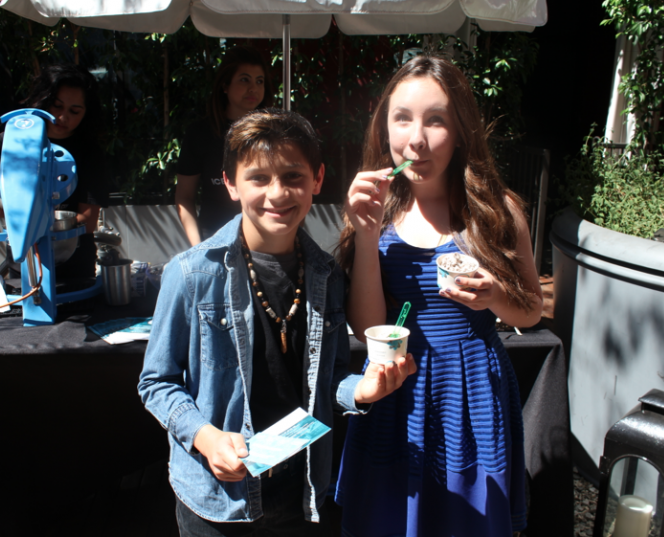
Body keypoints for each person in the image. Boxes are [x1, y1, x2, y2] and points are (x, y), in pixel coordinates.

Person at [139, 108, 417, 536]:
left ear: (317, 180)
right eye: (259, 178)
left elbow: (333, 377)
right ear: (230, 183)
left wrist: (362, 390)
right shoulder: (191, 273)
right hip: (219, 496)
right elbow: (156, 382)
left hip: (302, 488)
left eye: (293, 177)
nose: (278, 193)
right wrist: (206, 437)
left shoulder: (325, 274)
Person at [334, 55, 544, 536]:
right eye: (402, 118)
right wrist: (365, 238)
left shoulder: (497, 211)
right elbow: (369, 325)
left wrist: (493, 296)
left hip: (468, 394)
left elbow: (531, 311)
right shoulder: (374, 211)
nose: (417, 139)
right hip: (393, 390)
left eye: (436, 121)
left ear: (461, 130)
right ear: (384, 126)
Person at [0, 64, 109, 280]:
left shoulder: (90, 152)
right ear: (44, 101)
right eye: (56, 105)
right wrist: (4, 182)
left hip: (74, 267)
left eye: (74, 111)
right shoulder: (18, 140)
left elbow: (88, 221)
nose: (62, 117)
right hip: (23, 267)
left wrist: (27, 214)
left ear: (86, 113)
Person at [174, 45, 273, 246]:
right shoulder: (200, 133)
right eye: (244, 79)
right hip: (214, 240)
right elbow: (184, 197)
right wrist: (198, 247)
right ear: (225, 85)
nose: (253, 88)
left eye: (259, 81)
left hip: (265, 241)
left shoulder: (274, 133)